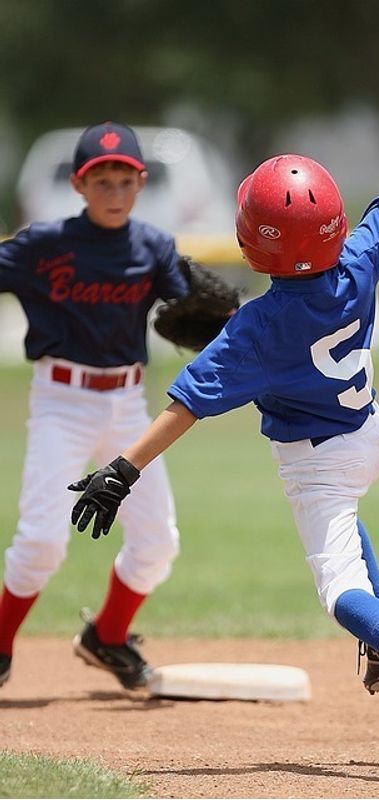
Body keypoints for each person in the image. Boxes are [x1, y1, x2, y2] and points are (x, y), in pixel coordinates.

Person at [69, 18, 379, 735]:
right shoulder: (360, 259)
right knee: (346, 521)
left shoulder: (254, 331)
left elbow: (183, 407)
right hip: (370, 431)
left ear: (255, 244)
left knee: (336, 579)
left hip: (320, 462)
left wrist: (121, 469)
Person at [0, 121, 237, 692]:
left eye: (123, 179)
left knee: (158, 544)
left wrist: (226, 315)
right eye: (100, 179)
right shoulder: (45, 245)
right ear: (80, 185)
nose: (112, 191)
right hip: (61, 401)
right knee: (41, 542)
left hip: (128, 405)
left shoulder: (152, 247)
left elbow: (200, 303)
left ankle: (105, 637)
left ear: (140, 182)